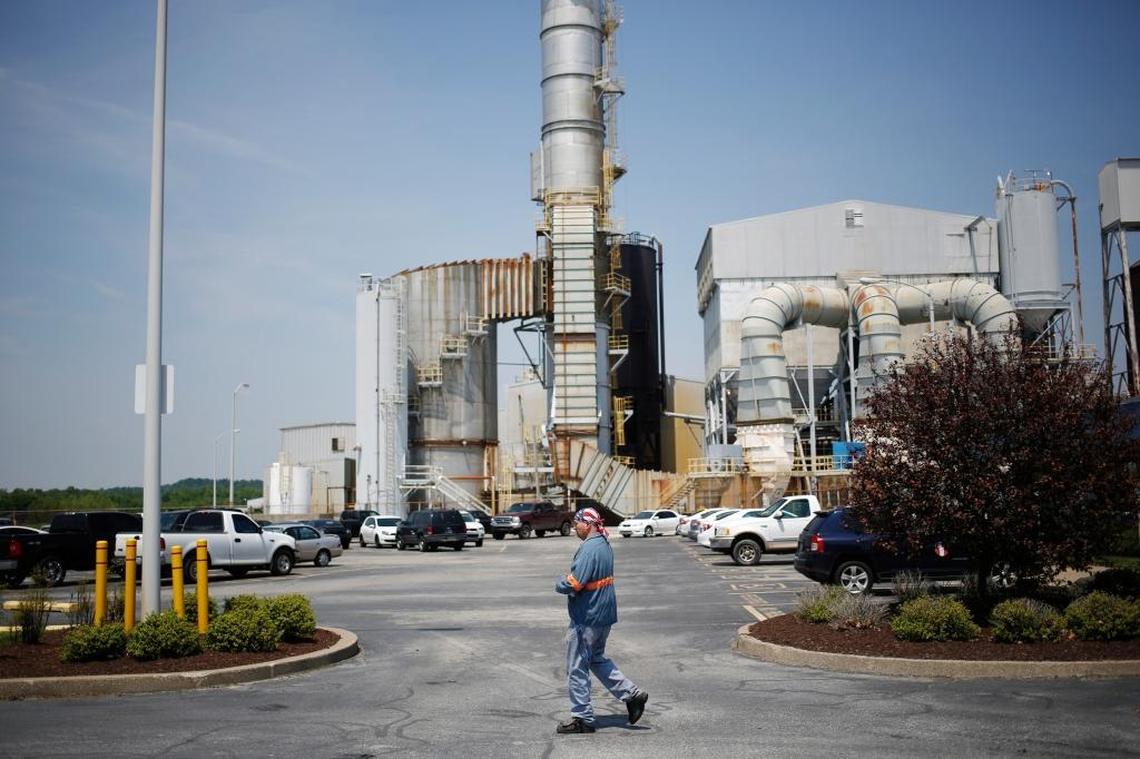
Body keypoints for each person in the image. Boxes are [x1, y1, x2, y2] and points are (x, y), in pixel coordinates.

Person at [553, 506, 648, 734]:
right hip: (603, 615)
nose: (575, 527)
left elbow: (576, 582)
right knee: (596, 659)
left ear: (588, 524)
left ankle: (582, 718)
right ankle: (632, 695)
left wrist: (559, 584)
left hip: (587, 616)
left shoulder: (589, 549)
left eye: (577, 523)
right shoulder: (604, 543)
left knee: (576, 667)